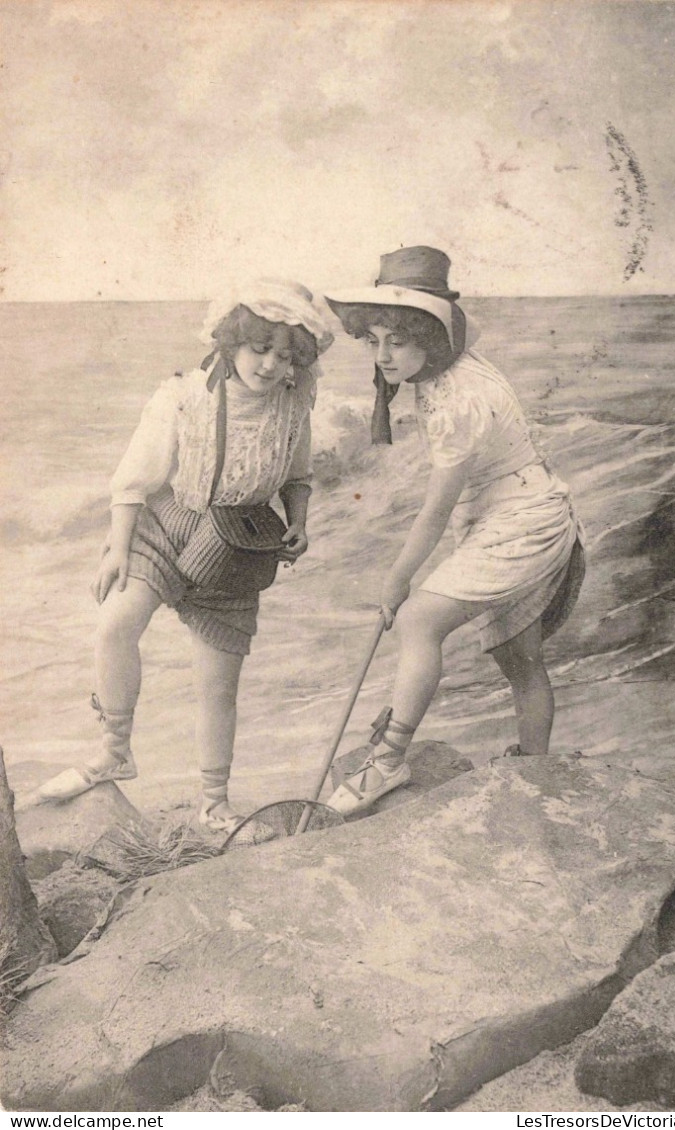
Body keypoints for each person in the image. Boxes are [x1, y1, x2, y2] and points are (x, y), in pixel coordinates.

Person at [37, 280, 334, 837]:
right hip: (168, 524)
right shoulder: (182, 395)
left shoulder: (295, 406)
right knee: (115, 624)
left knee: (218, 686)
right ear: (231, 341)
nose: (270, 365)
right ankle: (113, 752)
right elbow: (134, 479)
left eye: (285, 355)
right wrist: (118, 548)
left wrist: (299, 523)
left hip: (235, 547)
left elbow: (298, 478)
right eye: (259, 348)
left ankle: (214, 801)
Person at [323, 246, 585, 815]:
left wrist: (397, 578)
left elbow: (436, 510)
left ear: (429, 337)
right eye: (374, 339)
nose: (384, 354)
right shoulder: (446, 372)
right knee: (519, 658)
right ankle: (534, 769)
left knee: (418, 620)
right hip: (513, 509)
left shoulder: (457, 399)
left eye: (398, 339)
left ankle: (388, 762)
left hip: (523, 520)